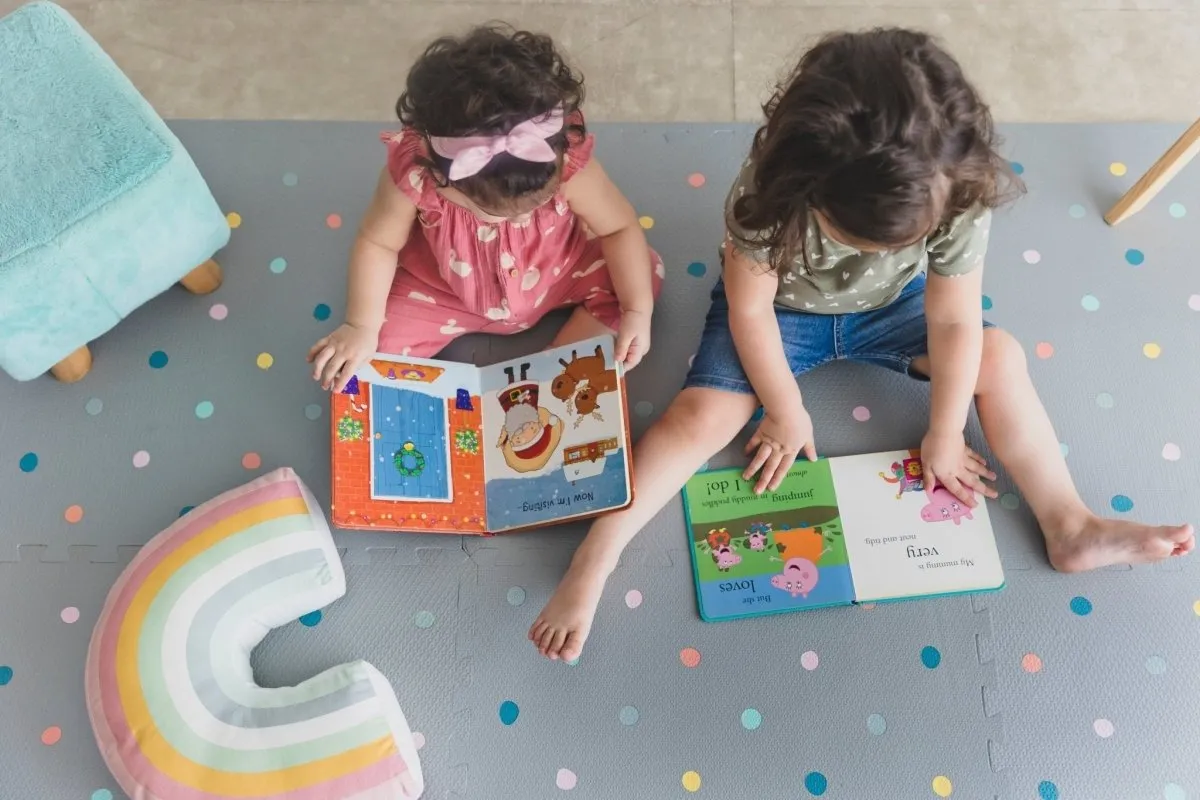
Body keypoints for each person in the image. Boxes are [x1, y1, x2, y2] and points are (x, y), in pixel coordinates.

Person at [530, 28, 1194, 662]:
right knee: (702, 416)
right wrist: (786, 409)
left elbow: (956, 320)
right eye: (850, 236)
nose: (866, 250)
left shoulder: (956, 188)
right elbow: (750, 309)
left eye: (894, 241)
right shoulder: (768, 193)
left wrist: (945, 430)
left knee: (1003, 356)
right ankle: (599, 550)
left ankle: (1070, 525)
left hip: (894, 312)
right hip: (779, 314)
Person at [309, 25, 662, 391]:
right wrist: (361, 326)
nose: (523, 218)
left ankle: (548, 373)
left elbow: (619, 228)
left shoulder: (572, 166)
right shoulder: (417, 175)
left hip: (557, 275)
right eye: (496, 214)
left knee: (643, 274)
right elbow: (378, 243)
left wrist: (637, 312)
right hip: (443, 293)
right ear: (439, 172)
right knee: (368, 364)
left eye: (536, 205)